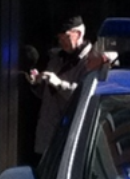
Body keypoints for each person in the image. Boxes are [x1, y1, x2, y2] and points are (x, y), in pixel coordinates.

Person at [28, 15, 95, 157]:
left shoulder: (91, 60)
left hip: (69, 138)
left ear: (79, 34)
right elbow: (47, 96)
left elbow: (85, 95)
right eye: (60, 38)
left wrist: (59, 84)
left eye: (66, 37)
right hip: (46, 137)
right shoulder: (56, 58)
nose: (62, 42)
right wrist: (37, 84)